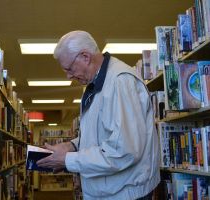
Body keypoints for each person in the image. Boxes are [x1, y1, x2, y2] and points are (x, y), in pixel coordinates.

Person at [36, 30, 160, 200]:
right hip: (112, 192)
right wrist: (72, 146)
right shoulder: (97, 84)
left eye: (70, 68)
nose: (68, 76)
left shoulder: (119, 82)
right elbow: (103, 134)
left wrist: (67, 160)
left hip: (125, 194)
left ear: (85, 57)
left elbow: (123, 151)